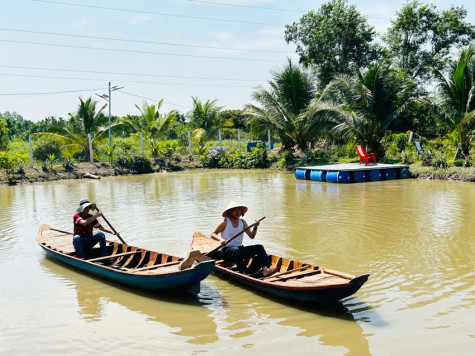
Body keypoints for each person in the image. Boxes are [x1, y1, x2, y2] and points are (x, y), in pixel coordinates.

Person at [210, 201, 277, 277]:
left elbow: (251, 236)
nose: (237, 212)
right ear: (230, 212)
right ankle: (243, 272)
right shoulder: (224, 222)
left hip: (238, 250)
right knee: (236, 250)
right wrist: (220, 240)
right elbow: (212, 234)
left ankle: (265, 269)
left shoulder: (242, 222)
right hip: (226, 251)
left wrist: (255, 227)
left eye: (239, 210)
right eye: (235, 210)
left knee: (259, 247)